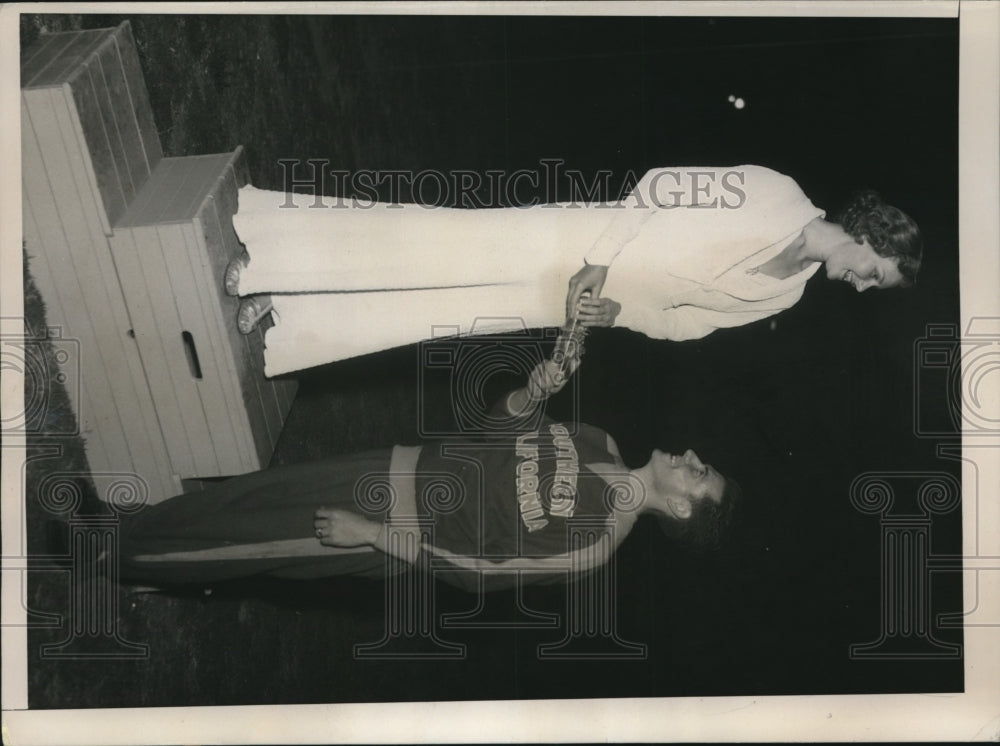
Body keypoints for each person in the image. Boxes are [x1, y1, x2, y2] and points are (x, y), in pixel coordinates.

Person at [227, 165, 922, 377]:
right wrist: (598, 260)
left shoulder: (790, 294)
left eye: (871, 287)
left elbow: (687, 329)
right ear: (873, 234)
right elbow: (660, 187)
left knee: (432, 314)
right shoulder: (776, 193)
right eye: (875, 273)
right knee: (427, 246)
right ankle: (270, 258)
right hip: (581, 240)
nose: (861, 286)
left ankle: (288, 316)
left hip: (577, 300)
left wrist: (619, 314)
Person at [115, 358, 740, 592]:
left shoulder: (593, 546)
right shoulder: (600, 440)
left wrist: (370, 535)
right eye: (699, 462)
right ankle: (145, 539)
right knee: (255, 493)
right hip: (395, 466)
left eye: (697, 475)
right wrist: (531, 392)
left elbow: (475, 572)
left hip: (389, 524)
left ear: (681, 509)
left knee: (246, 543)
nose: (689, 457)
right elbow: (498, 434)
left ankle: (116, 554)